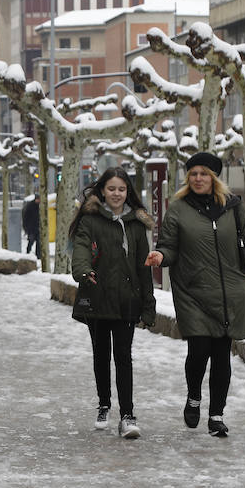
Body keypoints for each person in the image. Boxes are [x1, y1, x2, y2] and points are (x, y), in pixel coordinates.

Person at [144, 152, 245, 438]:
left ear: (214, 178)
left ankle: (216, 415)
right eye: (193, 174)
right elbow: (168, 245)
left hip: (229, 291)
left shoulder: (233, 207)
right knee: (199, 351)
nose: (198, 178)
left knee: (222, 355)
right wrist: (160, 256)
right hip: (192, 292)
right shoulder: (178, 209)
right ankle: (194, 396)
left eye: (203, 174)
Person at [70, 167, 155, 439]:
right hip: (97, 296)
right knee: (101, 354)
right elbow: (81, 247)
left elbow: (144, 268)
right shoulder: (90, 220)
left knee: (123, 357)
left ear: (127, 192)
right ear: (102, 191)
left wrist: (148, 303)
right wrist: (83, 270)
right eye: (111, 189)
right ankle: (104, 404)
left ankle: (128, 416)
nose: (116, 194)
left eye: (121, 189)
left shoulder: (137, 224)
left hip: (127, 300)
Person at [22, 194, 41, 259]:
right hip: (31, 228)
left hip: (38, 228)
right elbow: (25, 218)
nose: (38, 201)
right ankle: (27, 252)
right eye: (38, 199)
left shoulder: (40, 206)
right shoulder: (30, 206)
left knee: (38, 243)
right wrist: (26, 228)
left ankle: (38, 256)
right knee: (31, 241)